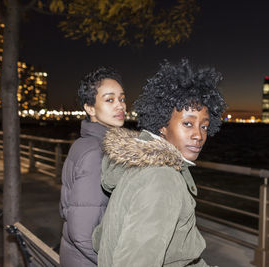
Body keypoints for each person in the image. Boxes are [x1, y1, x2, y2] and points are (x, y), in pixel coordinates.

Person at [92, 59, 227, 266]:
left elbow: (99, 239)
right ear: (162, 125)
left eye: (204, 127)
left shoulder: (139, 165)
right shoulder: (162, 178)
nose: (198, 135)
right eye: (188, 124)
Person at [59, 66, 126, 266]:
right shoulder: (97, 153)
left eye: (121, 99)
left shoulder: (85, 143)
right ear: (89, 108)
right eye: (109, 100)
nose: (120, 106)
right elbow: (82, 234)